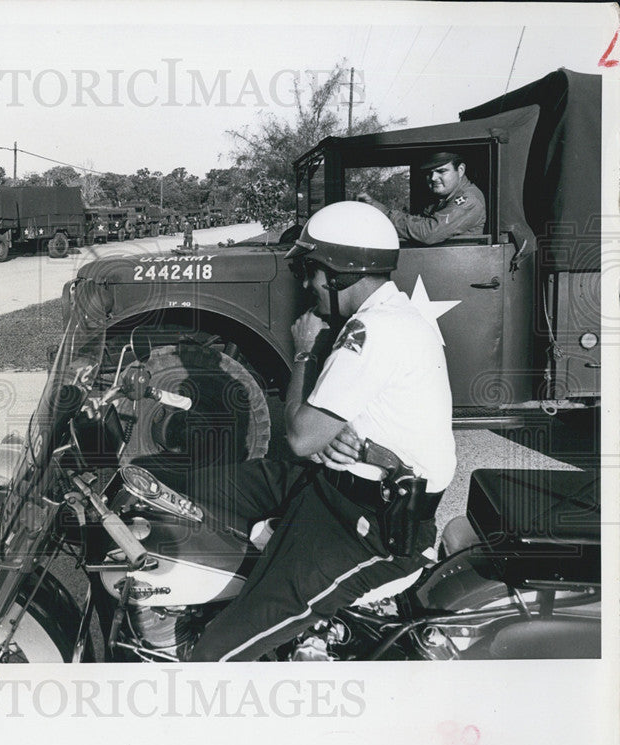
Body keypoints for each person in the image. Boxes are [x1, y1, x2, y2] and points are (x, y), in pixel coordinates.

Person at [189, 201, 456, 662]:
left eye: (310, 270)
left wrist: (305, 352)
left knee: (214, 653)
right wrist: (339, 435)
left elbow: (299, 437)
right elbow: (327, 426)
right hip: (336, 487)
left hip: (369, 525)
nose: (308, 283)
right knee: (170, 484)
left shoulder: (375, 330)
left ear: (339, 273)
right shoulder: (384, 316)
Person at [357, 151, 485, 245]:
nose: (433, 178)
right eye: (429, 173)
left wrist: (385, 214)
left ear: (461, 170)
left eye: (441, 171)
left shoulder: (469, 199)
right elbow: (417, 223)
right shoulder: (442, 200)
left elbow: (429, 232)